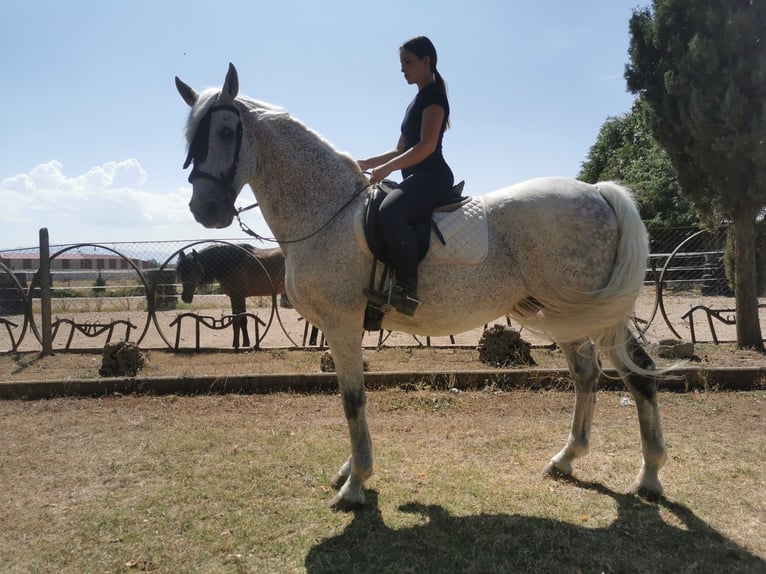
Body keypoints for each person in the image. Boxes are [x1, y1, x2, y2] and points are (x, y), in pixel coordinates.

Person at [359, 36, 455, 317]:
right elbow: (399, 149)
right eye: (401, 63)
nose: (403, 69)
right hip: (418, 177)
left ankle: (407, 290)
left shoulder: (434, 95)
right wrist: (365, 162)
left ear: (427, 61)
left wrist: (387, 170)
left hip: (433, 176)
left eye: (408, 62)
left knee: (389, 210)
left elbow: (425, 146)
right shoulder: (417, 100)